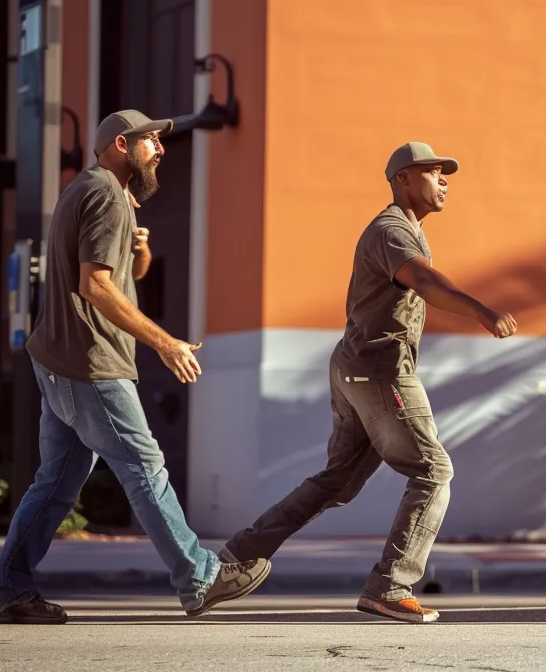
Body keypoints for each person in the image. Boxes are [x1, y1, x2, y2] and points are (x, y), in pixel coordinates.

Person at [0, 110, 271, 624]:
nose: (160, 149)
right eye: (151, 140)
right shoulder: (107, 195)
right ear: (122, 143)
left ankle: (6, 588)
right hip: (92, 363)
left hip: (60, 363)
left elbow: (122, 276)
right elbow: (94, 285)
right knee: (145, 467)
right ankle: (199, 577)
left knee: (55, 485)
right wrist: (165, 343)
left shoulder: (86, 190)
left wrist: (142, 249)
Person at [216, 142, 519, 623]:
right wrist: (482, 311)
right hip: (380, 372)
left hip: (356, 367)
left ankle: (234, 560)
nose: (444, 181)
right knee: (433, 471)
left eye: (446, 175)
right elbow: (424, 281)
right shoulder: (392, 230)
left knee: (337, 481)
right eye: (433, 172)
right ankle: (392, 585)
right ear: (402, 179)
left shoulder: (405, 230)